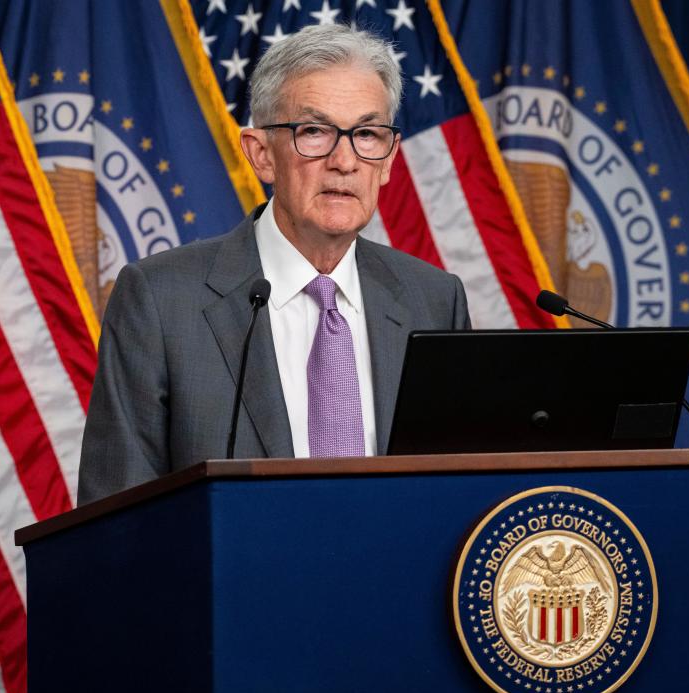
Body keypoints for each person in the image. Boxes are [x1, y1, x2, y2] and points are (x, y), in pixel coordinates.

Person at [77, 24, 470, 503]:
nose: (344, 161)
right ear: (261, 155)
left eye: (367, 134)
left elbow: (456, 495)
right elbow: (116, 520)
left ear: (387, 160)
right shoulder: (159, 301)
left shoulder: (433, 299)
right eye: (315, 131)